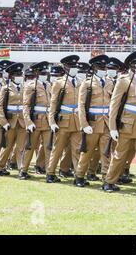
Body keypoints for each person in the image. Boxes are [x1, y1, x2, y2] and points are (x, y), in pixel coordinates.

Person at [102, 51, 136, 192]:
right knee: (120, 155)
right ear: (132, 66)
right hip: (128, 124)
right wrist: (112, 127)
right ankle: (109, 181)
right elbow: (114, 104)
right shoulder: (124, 80)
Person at [74, 55, 112, 187]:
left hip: (106, 123)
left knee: (106, 153)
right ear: (94, 68)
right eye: (101, 67)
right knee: (87, 152)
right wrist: (84, 124)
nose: (103, 69)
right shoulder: (87, 83)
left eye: (104, 67)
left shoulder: (110, 82)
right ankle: (79, 176)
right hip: (93, 123)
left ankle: (107, 180)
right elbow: (81, 105)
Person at [46, 55, 82, 184]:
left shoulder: (80, 82)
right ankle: (50, 173)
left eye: (75, 66)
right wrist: (52, 122)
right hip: (63, 120)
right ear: (65, 67)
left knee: (77, 150)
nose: (74, 69)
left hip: (77, 120)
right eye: (71, 66)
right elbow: (53, 104)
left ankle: (79, 176)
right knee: (58, 149)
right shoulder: (59, 83)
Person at [0, 63, 28, 178]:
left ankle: (21, 170)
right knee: (7, 146)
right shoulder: (6, 88)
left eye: (21, 74)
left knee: (21, 147)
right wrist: (3, 122)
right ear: (12, 76)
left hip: (22, 121)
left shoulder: (25, 87)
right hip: (10, 122)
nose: (20, 76)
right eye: (17, 74)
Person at [20, 62, 52, 178]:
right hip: (35, 121)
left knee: (49, 147)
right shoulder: (30, 86)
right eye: (42, 73)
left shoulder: (48, 85)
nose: (44, 75)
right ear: (37, 73)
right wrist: (28, 122)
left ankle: (50, 172)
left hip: (48, 121)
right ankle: (23, 170)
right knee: (30, 146)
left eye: (46, 73)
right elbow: (26, 105)